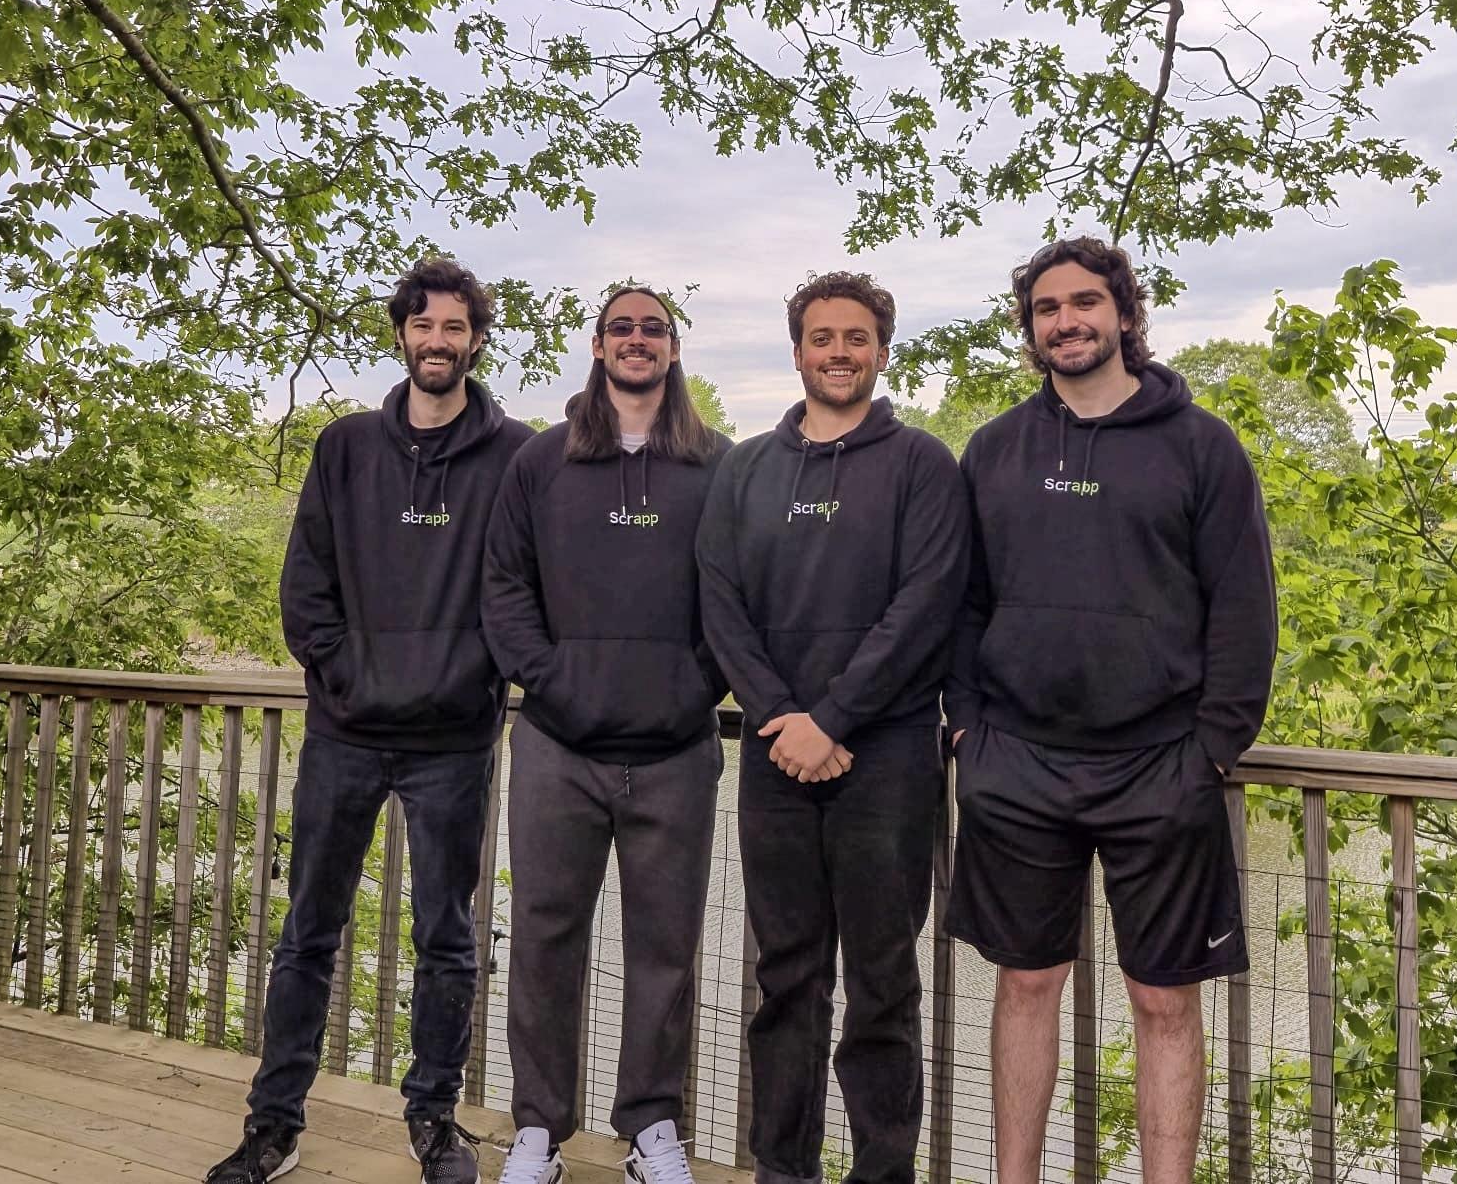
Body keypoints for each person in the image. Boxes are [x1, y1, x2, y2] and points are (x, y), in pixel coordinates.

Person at [944, 238, 1277, 1184]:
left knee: (1165, 1002)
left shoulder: (1201, 446)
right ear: (1031, 329)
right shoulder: (997, 448)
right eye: (1047, 309)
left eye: (1085, 302)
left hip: (1161, 768)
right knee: (1025, 985)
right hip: (1018, 766)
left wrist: (1212, 749)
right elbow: (963, 603)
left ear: (1125, 314)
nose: (1067, 321)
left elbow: (1244, 610)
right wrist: (971, 727)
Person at [209, 259, 535, 1184]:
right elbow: (306, 583)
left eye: (456, 328)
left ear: (477, 338)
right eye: (424, 326)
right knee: (308, 930)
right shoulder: (345, 446)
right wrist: (343, 675)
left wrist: (471, 679)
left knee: (447, 939)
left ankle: (433, 1120)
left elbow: (521, 592)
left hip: (453, 741)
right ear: (402, 334)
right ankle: (273, 1123)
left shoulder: (514, 455)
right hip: (345, 733)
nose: (439, 341)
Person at [696, 271, 968, 1184]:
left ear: (883, 350)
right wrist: (782, 717)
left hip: (887, 757)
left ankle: (882, 1172)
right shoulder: (747, 468)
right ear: (798, 349)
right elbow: (720, 602)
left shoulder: (923, 465)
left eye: (857, 337)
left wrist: (837, 717)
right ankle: (784, 1169)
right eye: (822, 337)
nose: (839, 352)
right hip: (776, 757)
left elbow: (925, 604)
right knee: (787, 978)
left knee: (883, 986)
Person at [481, 286, 733, 1184]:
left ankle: (651, 1132)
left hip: (676, 750)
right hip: (557, 745)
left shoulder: (716, 465)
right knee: (545, 938)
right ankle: (538, 1133)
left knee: (665, 949)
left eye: (652, 328)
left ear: (672, 350)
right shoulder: (543, 463)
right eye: (621, 327)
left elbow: (741, 599)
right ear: (597, 346)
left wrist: (696, 685)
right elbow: (504, 587)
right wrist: (550, 680)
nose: (636, 340)